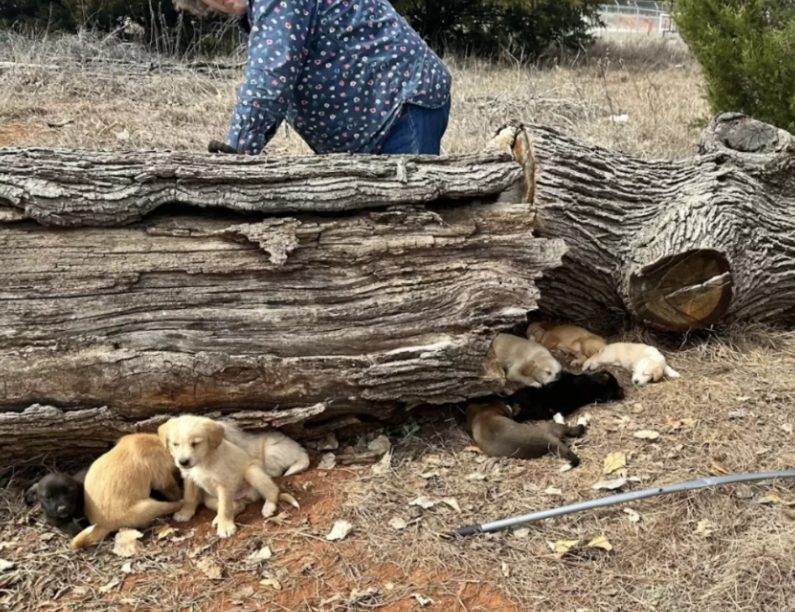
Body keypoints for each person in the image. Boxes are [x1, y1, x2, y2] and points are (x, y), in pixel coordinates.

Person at [175, 0, 452, 155]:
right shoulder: (259, 15)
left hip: (400, 104)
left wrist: (236, 155)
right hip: (374, 121)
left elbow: (270, 82)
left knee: (411, 223)